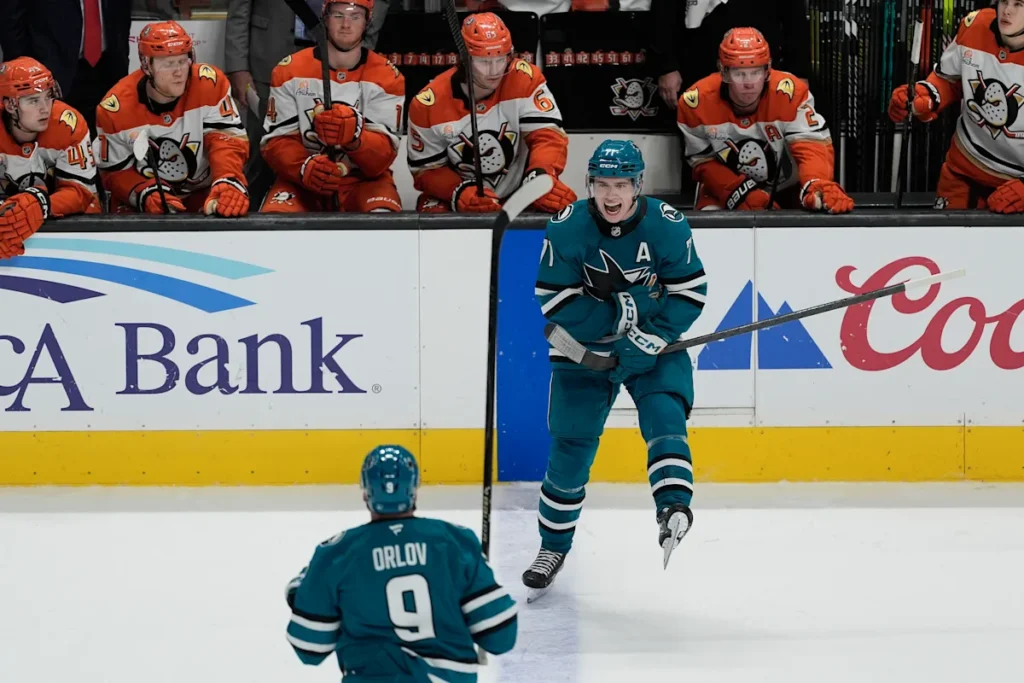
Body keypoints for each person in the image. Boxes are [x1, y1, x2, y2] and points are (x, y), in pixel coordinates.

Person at [522, 140, 704, 600]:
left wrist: (649, 337)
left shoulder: (667, 225)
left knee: (665, 417)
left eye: (621, 184)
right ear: (590, 185)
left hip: (654, 345)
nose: (611, 195)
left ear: (638, 185)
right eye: (602, 184)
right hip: (583, 352)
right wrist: (628, 316)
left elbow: (690, 293)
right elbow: (556, 301)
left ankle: (673, 506)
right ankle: (552, 547)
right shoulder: (566, 228)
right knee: (570, 450)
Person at [285, 445, 518, 682]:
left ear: (365, 492)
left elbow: (309, 647)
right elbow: (501, 637)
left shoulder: (335, 555)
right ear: (414, 489)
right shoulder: (456, 543)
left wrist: (302, 593)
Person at [406, 12, 575, 214]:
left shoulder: (524, 78)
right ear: (464, 59)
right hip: (459, 192)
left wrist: (540, 175)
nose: (494, 70)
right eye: (484, 62)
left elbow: (548, 136)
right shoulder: (427, 103)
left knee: (558, 203)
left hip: (518, 189)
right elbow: (426, 169)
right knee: (433, 215)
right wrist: (458, 191)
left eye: (500, 59)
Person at [676, 27, 853, 213]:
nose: (749, 83)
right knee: (711, 216)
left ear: (767, 70)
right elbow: (703, 162)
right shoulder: (695, 103)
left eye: (755, 72)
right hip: (724, 186)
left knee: (817, 207)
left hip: (785, 187)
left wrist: (816, 182)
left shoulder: (790, 93)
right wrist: (740, 194)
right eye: (739, 73)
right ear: (724, 72)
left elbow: (810, 145)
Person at [259, 0, 404, 213]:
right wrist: (303, 166)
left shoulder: (387, 76)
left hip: (362, 181)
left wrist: (356, 139)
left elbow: (380, 159)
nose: (346, 24)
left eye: (355, 16)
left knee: (382, 220)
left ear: (367, 22)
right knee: (276, 222)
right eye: (338, 15)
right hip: (301, 181)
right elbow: (275, 142)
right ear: (325, 18)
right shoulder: (289, 70)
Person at [94, 22, 250, 216]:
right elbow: (113, 172)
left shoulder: (210, 84)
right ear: (146, 65)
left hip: (204, 191)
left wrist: (228, 179)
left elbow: (226, 141)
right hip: (146, 195)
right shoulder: (115, 109)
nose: (178, 72)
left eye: (182, 61)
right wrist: (144, 192)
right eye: (168, 64)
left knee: (230, 208)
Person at [888, 1, 1024, 212]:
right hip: (963, 170)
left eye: (1019, 4)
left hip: (1018, 181)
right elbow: (948, 80)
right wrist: (925, 95)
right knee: (944, 243)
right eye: (1005, 1)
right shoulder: (974, 25)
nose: (1007, 10)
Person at [1, 57, 101, 260]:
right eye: (33, 100)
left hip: (64, 227)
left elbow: (81, 193)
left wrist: (39, 204)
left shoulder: (68, 125)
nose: (45, 108)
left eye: (48, 97)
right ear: (10, 105)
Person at [0, 0, 133, 135]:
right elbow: (11, 17)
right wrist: (22, 69)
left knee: (103, 141)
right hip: (47, 72)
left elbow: (122, 12)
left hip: (107, 67)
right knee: (50, 141)